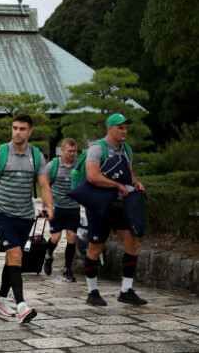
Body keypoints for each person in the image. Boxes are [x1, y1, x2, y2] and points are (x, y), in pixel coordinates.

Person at [0, 114, 54, 324]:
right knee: (15, 254)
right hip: (3, 213)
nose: (17, 132)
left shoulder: (36, 156)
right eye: (15, 128)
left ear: (30, 132)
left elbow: (44, 185)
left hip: (26, 216)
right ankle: (21, 306)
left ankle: (1, 300)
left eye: (22, 129)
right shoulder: (0, 154)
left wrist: (49, 206)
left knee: (13, 258)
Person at [84, 113, 147, 307]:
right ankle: (92, 291)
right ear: (109, 128)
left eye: (126, 127)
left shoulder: (126, 149)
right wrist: (116, 186)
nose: (124, 130)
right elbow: (92, 176)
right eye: (120, 127)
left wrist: (135, 183)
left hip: (121, 206)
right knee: (96, 248)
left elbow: (129, 175)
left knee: (132, 245)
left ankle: (126, 291)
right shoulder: (97, 148)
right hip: (100, 207)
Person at [43, 138, 80, 282]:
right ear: (62, 150)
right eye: (69, 151)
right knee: (56, 237)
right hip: (56, 207)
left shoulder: (78, 165)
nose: (72, 153)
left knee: (71, 237)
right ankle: (49, 255)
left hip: (73, 207)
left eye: (74, 151)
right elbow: (45, 186)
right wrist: (46, 207)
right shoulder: (53, 165)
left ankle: (67, 269)